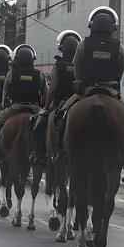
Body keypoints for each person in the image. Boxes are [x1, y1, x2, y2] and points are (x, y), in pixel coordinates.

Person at [32, 30, 81, 166]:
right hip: (80, 99)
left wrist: (46, 108)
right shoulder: (82, 63)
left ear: (62, 49)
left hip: (62, 103)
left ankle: (39, 154)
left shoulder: (58, 66)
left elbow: (52, 89)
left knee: (39, 124)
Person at [73, 6, 124, 96]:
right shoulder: (119, 47)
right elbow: (121, 69)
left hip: (87, 90)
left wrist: (80, 81)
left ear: (92, 26)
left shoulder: (82, 45)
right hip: (111, 90)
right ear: (112, 28)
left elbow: (77, 68)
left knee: (65, 109)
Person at [0, 43, 46, 130]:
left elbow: (5, 91)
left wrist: (4, 105)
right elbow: (45, 93)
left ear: (17, 59)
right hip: (35, 108)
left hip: (15, 107)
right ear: (32, 59)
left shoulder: (11, 73)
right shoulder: (40, 74)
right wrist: (43, 107)